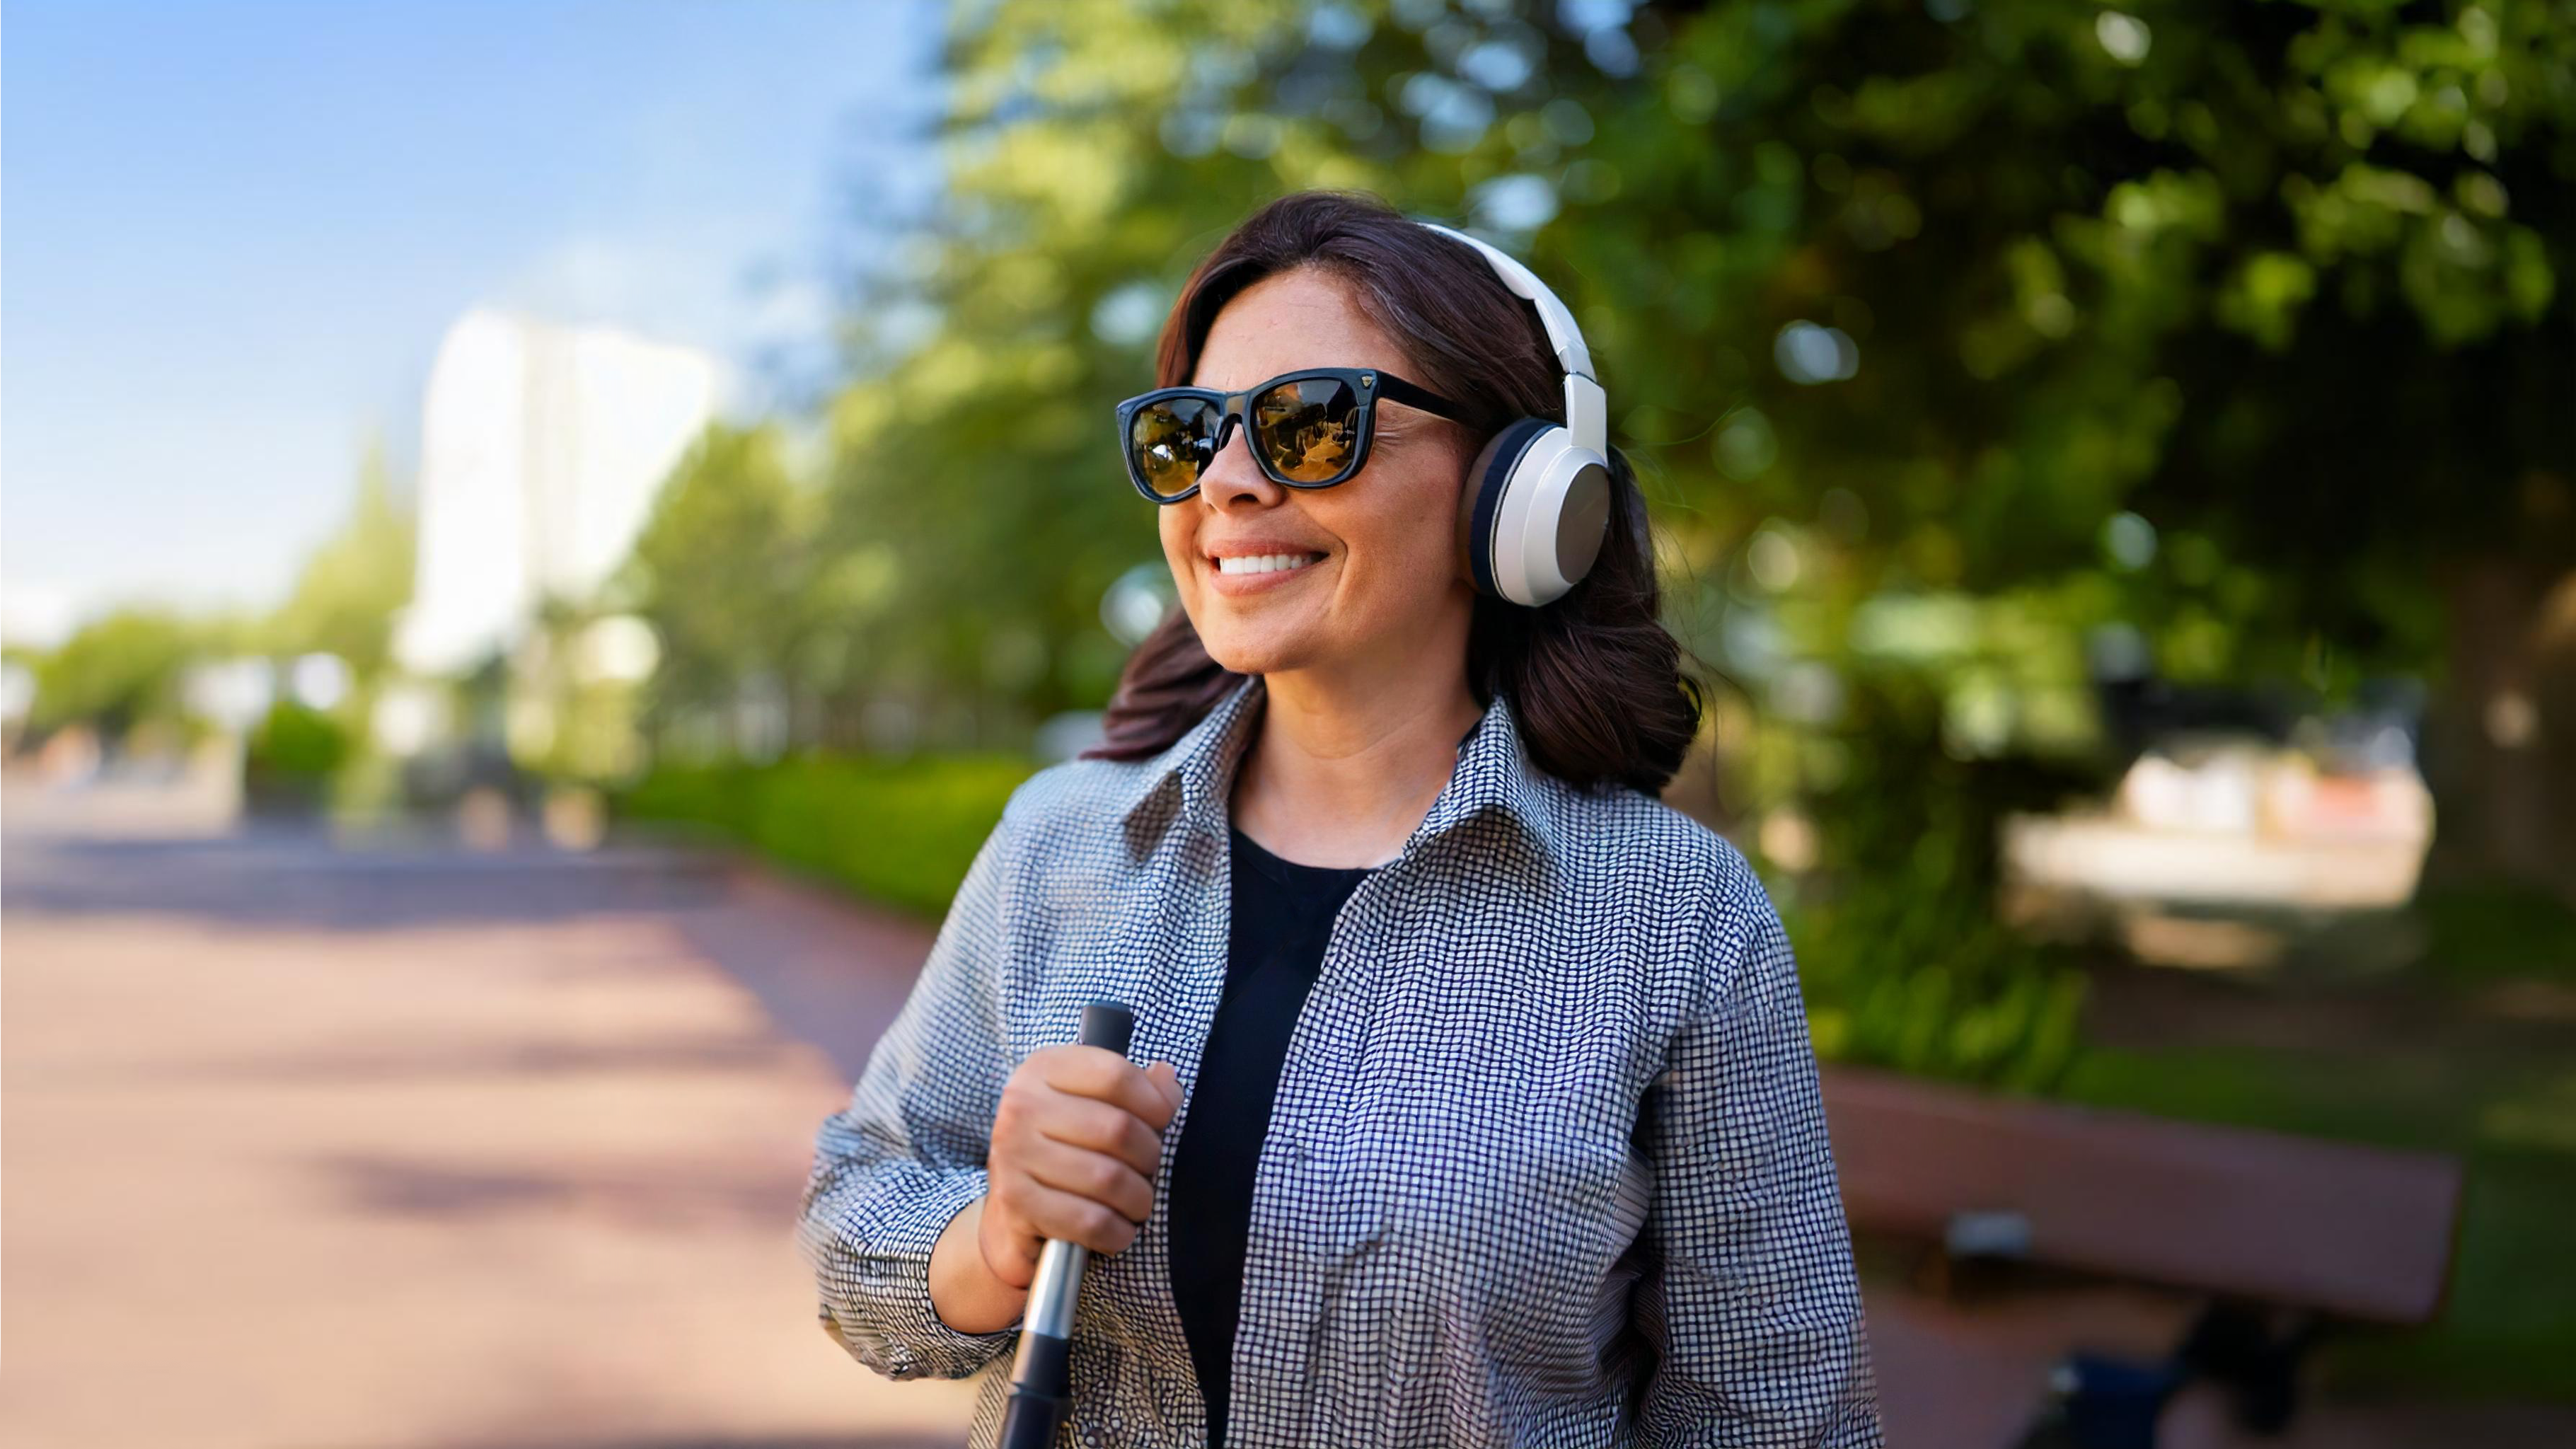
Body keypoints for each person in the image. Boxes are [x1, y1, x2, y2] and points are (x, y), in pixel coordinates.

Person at [796, 188, 1882, 1448]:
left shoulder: (1677, 917)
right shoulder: (1058, 846)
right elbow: (853, 1221)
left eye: (1312, 426)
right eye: (1189, 437)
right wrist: (992, 1240)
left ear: (1517, 488)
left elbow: (1777, 1421)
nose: (1231, 486)